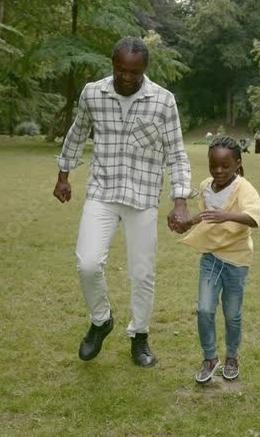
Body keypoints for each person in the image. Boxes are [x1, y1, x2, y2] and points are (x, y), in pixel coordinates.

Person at [54, 36, 192, 368]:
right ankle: (101, 320)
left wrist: (180, 201)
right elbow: (77, 133)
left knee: (142, 272)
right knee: (87, 263)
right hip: (102, 191)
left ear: (145, 69)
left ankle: (140, 335)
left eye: (134, 71)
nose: (126, 77)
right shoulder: (93, 93)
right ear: (112, 64)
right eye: (120, 69)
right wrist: (63, 175)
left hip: (143, 196)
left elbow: (176, 154)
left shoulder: (163, 101)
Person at [177, 137, 260, 384]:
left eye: (225, 166)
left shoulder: (244, 188)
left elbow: (253, 218)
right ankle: (210, 358)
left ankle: (232, 357)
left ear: (237, 163)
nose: (218, 171)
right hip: (211, 257)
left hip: (237, 260)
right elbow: (207, 216)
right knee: (204, 309)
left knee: (232, 314)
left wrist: (227, 215)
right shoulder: (206, 186)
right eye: (213, 165)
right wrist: (187, 223)